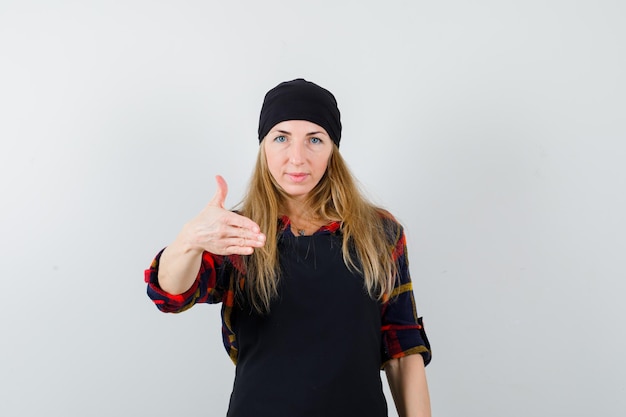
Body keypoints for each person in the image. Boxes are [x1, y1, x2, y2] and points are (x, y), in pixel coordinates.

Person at [145, 78, 432, 417]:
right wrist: (190, 240)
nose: (297, 158)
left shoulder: (379, 233)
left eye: (314, 139)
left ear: (332, 150)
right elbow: (170, 295)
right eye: (281, 138)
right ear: (264, 146)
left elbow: (402, 351)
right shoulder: (236, 232)